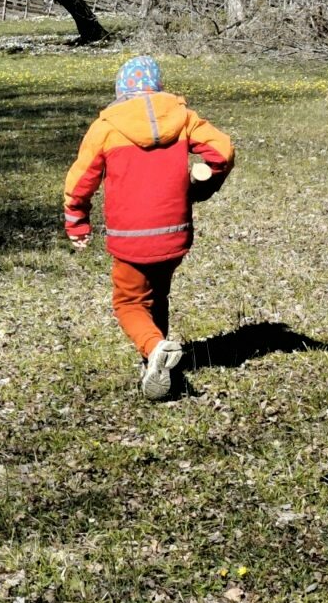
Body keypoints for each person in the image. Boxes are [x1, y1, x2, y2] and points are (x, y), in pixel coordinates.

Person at [62, 55, 235, 400]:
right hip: (175, 234)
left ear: (120, 90)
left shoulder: (108, 126)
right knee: (157, 296)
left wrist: (77, 221)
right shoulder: (182, 118)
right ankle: (156, 365)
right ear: (157, 87)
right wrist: (203, 186)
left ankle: (155, 348)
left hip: (130, 239)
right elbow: (223, 150)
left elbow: (80, 180)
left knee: (127, 303)